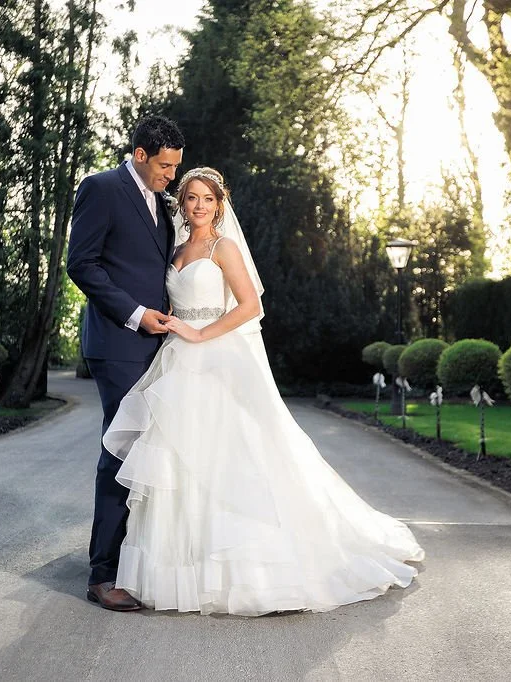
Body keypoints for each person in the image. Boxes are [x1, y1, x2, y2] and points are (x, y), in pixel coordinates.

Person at [103, 167, 425, 616]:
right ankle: (181, 571)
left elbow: (251, 305)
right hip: (176, 360)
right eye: (191, 197)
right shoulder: (175, 249)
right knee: (178, 460)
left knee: (228, 457)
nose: (199, 206)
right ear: (181, 201)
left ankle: (248, 572)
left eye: (208, 199)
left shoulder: (223, 247)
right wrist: (176, 329)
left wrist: (199, 334)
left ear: (220, 204)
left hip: (213, 357)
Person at [66, 115, 184, 612]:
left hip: (159, 347)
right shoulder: (100, 188)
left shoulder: (163, 201)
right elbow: (81, 263)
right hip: (118, 343)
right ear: (140, 154)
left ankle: (137, 561)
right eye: (164, 165)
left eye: (176, 167)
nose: (171, 176)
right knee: (122, 449)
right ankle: (102, 575)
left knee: (153, 450)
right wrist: (136, 315)